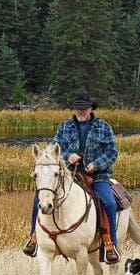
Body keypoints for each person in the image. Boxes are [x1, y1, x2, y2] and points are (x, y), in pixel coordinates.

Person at [23, 91, 121, 264]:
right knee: (39, 199)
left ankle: (109, 245)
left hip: (97, 176)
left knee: (109, 202)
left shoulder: (104, 127)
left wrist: (96, 165)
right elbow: (52, 149)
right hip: (70, 175)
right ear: (74, 109)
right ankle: (34, 238)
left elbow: (112, 152)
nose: (81, 111)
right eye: (78, 108)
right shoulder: (65, 126)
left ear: (91, 108)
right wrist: (68, 156)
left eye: (84, 108)